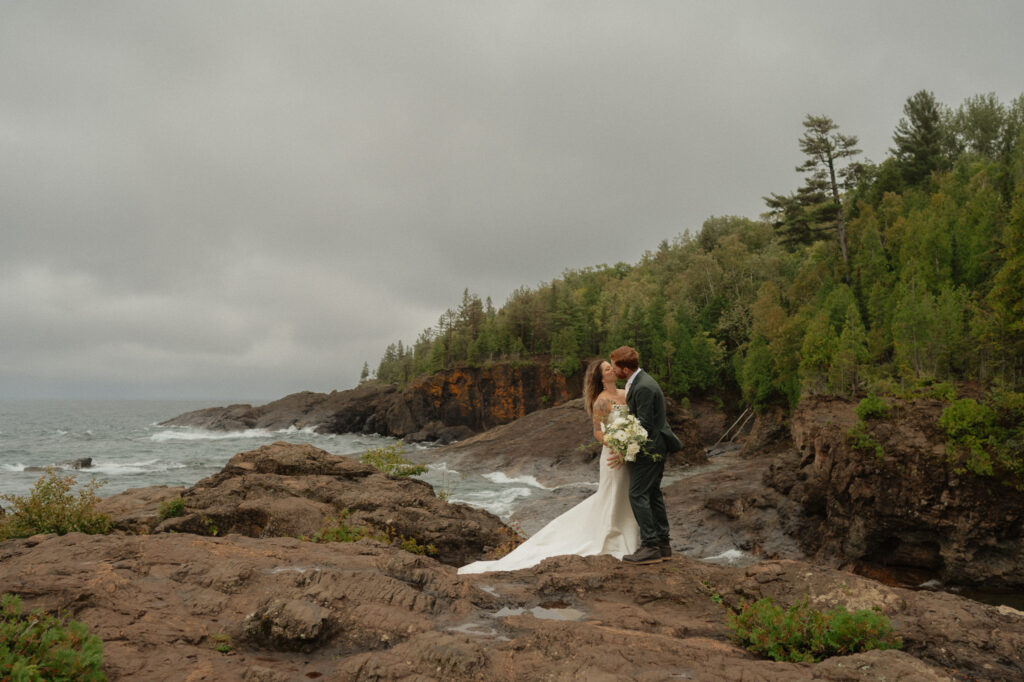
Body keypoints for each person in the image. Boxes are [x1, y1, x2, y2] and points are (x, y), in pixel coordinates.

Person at [458, 359, 640, 574]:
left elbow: (635, 420)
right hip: (612, 455)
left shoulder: (625, 393)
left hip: (628, 453)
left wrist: (630, 442)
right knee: (612, 494)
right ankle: (612, 535)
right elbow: (598, 432)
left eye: (611, 367)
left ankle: (631, 534)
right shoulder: (601, 401)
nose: (612, 370)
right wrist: (617, 444)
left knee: (628, 493)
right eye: (608, 369)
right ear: (601, 378)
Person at [608, 345, 682, 565]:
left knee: (637, 494)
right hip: (653, 445)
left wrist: (625, 448)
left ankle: (650, 546)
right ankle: (663, 544)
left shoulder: (644, 387)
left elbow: (645, 426)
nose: (613, 370)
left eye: (614, 366)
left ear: (625, 369)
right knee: (652, 494)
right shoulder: (639, 382)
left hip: (651, 448)